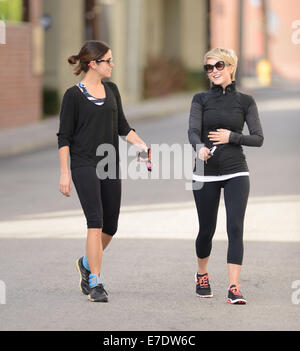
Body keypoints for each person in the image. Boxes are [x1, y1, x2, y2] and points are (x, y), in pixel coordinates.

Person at [56, 40, 148, 302]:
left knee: (111, 226)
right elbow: (64, 138)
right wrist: (65, 172)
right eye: (108, 60)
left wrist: (141, 145)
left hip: (109, 165)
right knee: (94, 221)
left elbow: (123, 126)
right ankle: (95, 281)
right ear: (93, 64)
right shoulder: (73, 96)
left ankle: (85, 263)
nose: (112, 64)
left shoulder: (112, 90)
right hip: (83, 164)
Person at [188, 48, 264, 304]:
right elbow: (193, 132)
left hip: (236, 170)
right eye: (209, 67)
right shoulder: (200, 99)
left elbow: (258, 138)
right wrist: (199, 148)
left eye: (219, 65)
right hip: (204, 171)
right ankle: (201, 274)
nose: (214, 71)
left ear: (231, 67)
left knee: (235, 228)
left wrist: (232, 137)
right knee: (206, 230)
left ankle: (234, 286)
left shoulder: (245, 101)